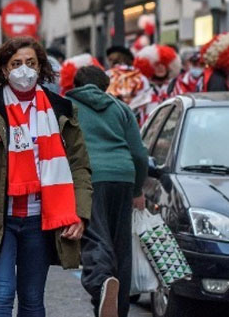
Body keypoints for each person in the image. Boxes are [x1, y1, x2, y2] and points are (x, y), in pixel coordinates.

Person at [0, 36, 92, 317]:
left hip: (41, 219)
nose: (24, 69)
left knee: (32, 301)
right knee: (0, 296)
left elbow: (80, 166)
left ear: (40, 68)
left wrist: (80, 213)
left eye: (30, 63)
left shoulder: (60, 108)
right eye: (16, 63)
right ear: (3, 69)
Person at [66, 66, 148, 317]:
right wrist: (137, 189)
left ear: (76, 83)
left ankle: (102, 282)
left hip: (88, 176)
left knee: (95, 236)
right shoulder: (121, 108)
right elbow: (139, 153)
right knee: (121, 246)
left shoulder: (66, 106)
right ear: (105, 86)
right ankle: (118, 309)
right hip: (123, 176)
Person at [105, 46, 154, 126]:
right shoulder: (141, 77)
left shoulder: (107, 75)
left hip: (112, 124)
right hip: (136, 124)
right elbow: (147, 103)